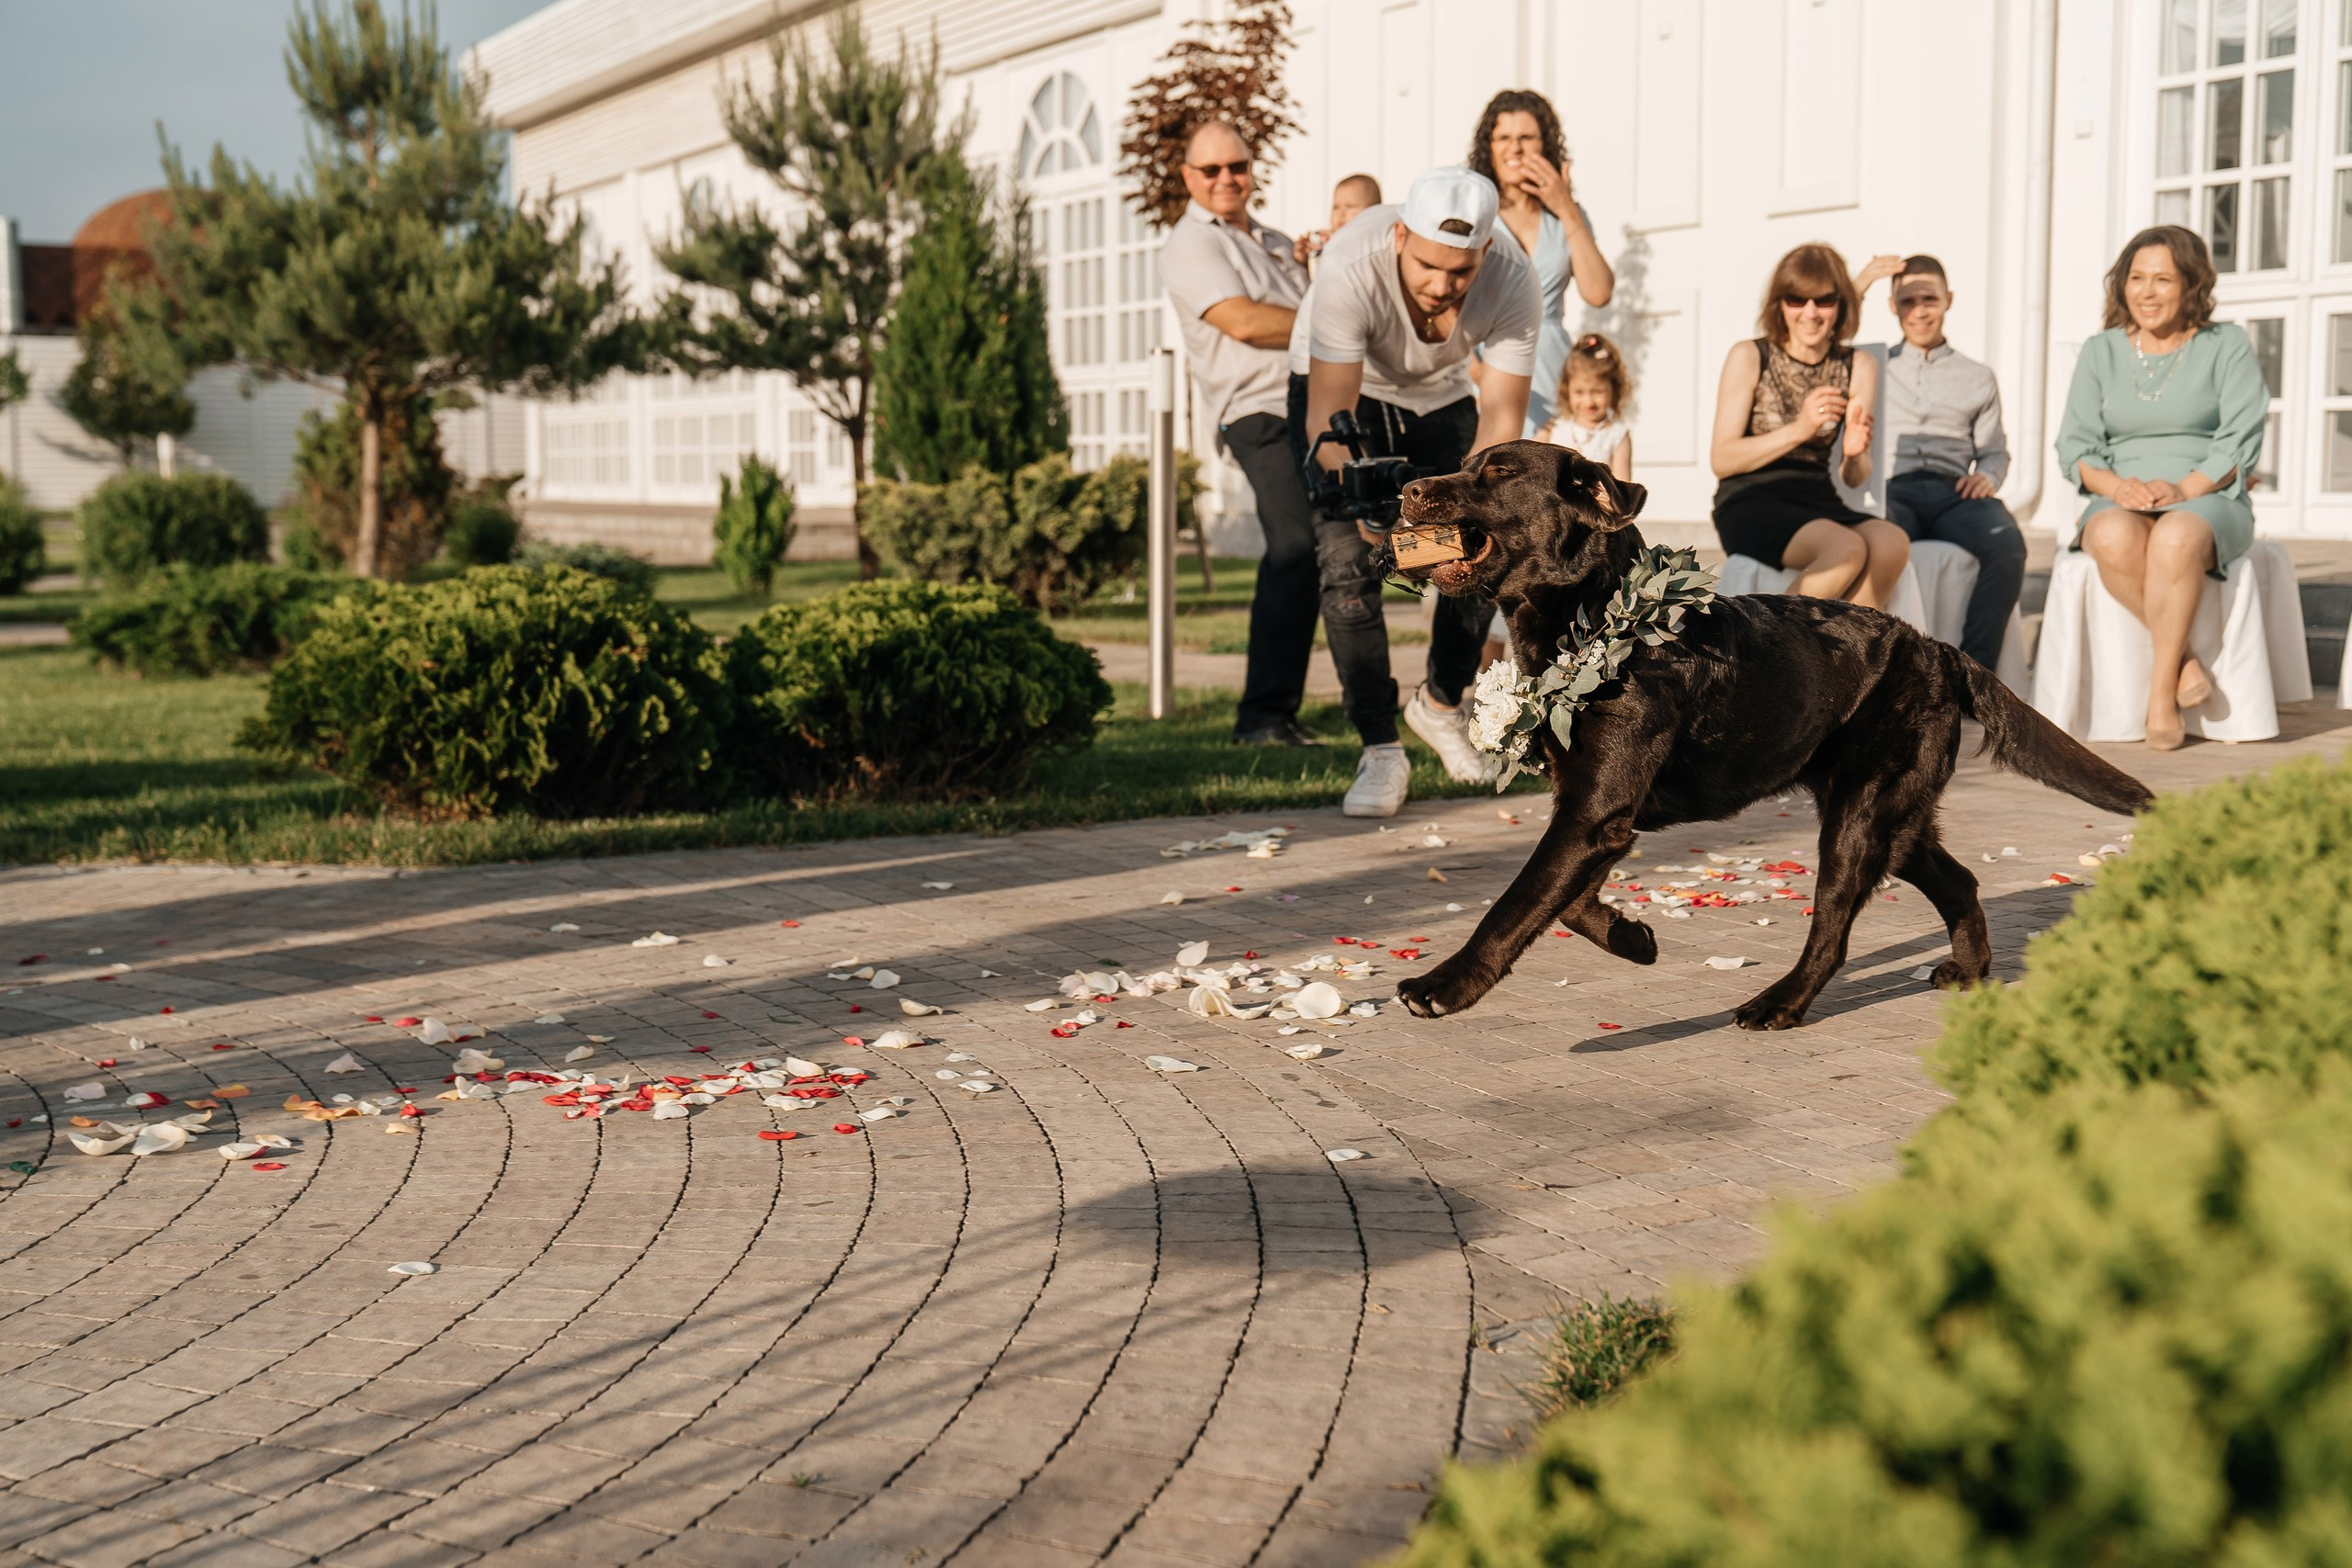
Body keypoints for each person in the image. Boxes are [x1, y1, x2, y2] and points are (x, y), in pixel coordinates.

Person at [1295, 164, 1544, 817]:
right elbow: (1328, 417)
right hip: (1346, 393)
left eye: (1460, 273)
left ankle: (1438, 705)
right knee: (1351, 564)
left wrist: (1457, 520)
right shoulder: (1350, 265)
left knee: (1477, 551)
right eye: (1428, 266)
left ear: (1485, 253)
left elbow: (1501, 422)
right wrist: (1372, 510)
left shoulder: (1514, 278)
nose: (1441, 286)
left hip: (1439, 395)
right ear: (1400, 236)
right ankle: (1380, 746)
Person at [2055, 224, 2267, 750]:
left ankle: (2158, 698)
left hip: (2208, 493)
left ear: (2191, 285)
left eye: (2163, 279)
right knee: (2110, 535)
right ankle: (2186, 662)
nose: (2147, 292)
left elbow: (2239, 438)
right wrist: (2118, 488)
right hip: (2122, 489)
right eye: (2137, 278)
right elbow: (2076, 445)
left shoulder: (2226, 345)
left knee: (2174, 538)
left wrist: (2184, 488)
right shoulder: (2101, 351)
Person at [1158, 119, 1317, 749]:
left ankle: (1337, 705)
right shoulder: (1190, 244)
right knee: (1294, 546)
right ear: (1188, 177)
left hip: (1316, 407)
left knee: (1333, 552)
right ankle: (1262, 716)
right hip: (1257, 412)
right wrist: (1333, 318)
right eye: (1211, 169)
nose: (1226, 178)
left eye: (1238, 166)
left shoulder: (1276, 241)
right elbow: (1245, 322)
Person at [1709, 244, 1910, 607]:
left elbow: (1854, 478)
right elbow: (1722, 460)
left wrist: (1855, 454)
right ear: (1779, 304)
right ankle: (1770, 639)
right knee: (1846, 549)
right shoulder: (1750, 355)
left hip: (1817, 496)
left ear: (1841, 304)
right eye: (1797, 300)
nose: (1811, 313)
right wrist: (1800, 429)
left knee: (1891, 543)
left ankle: (1843, 644)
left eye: (1825, 300)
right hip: (1751, 497)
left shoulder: (1859, 365)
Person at [1879, 254, 2024, 671]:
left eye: (1929, 299)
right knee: (1870, 541)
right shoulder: (1872, 366)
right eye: (1908, 301)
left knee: (2008, 545)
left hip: (1955, 494)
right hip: (1892, 491)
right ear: (1892, 305)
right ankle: (1887, 671)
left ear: (1949, 300)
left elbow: (1994, 450)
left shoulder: (1978, 376)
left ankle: (1972, 674)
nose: (1919, 311)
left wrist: (1989, 476)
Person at [1464, 89, 1615, 434]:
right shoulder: (1473, 212)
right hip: (1484, 365)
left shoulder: (1566, 215)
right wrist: (1477, 372)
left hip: (1554, 369)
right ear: (1489, 146)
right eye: (1503, 138)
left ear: (1545, 145)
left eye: (1526, 138)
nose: (1515, 149)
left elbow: (1599, 293)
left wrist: (1565, 206)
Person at [1483, 331, 1633, 666]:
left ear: (1614, 390)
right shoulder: (1555, 429)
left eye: (1597, 391)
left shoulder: (1617, 434)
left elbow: (1619, 485)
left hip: (1586, 533)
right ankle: (1491, 678)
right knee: (1501, 622)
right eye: (1580, 392)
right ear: (1567, 391)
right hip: (1542, 532)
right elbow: (1528, 471)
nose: (1588, 400)